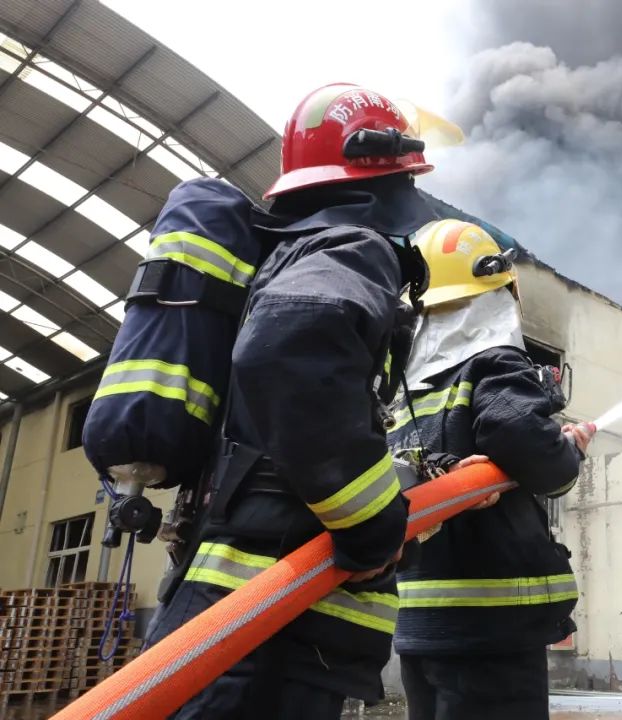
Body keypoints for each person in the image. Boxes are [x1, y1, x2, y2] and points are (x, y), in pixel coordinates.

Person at [144, 84, 438, 720]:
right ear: (384, 179)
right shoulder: (350, 245)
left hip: (225, 597)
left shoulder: (277, 257)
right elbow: (286, 353)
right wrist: (372, 530)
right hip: (273, 621)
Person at [386, 219, 595, 720]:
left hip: (420, 628)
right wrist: (571, 451)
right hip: (494, 631)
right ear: (494, 293)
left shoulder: (404, 399)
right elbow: (529, 448)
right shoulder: (493, 364)